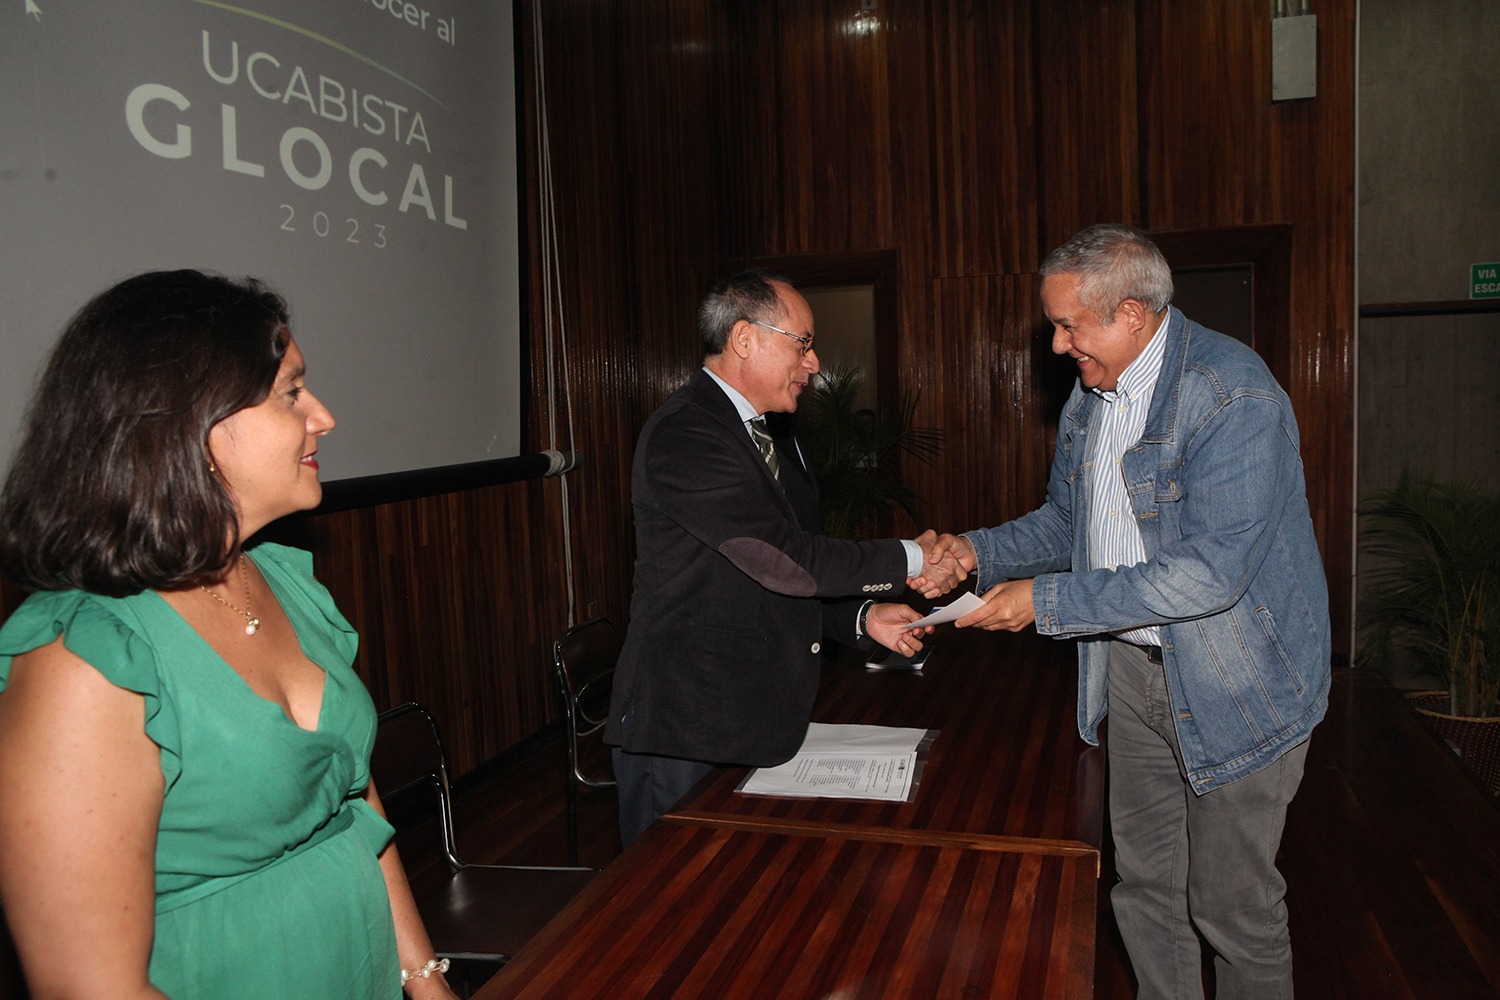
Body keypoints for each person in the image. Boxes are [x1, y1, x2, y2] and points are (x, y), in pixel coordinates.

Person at [0, 271, 458, 999]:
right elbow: (89, 987)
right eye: (290, 392)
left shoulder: (282, 580)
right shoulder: (82, 657)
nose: (323, 416)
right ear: (191, 422)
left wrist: (426, 981)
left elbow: (350, 798)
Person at [923, 225, 1330, 998]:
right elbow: (1066, 521)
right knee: (1144, 891)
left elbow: (1208, 576)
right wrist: (974, 552)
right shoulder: (1091, 394)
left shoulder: (1232, 396)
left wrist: (1045, 602)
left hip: (1237, 684)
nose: (1056, 344)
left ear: (1132, 315)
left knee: (1231, 908)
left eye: (1068, 324)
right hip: (1133, 676)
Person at [606, 269, 966, 846]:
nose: (815, 363)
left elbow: (768, 579)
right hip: (684, 725)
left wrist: (860, 618)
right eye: (803, 343)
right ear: (745, 338)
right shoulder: (688, 433)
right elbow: (785, 561)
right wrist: (914, 558)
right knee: (669, 893)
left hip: (751, 716)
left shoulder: (776, 436)